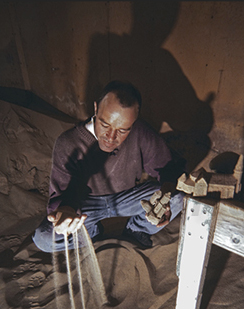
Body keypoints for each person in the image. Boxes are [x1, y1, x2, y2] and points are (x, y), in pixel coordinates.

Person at [33, 80, 185, 252]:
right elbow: (61, 195)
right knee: (45, 239)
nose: (111, 137)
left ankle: (136, 230)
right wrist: (66, 212)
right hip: (85, 206)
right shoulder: (68, 142)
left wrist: (165, 198)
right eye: (105, 124)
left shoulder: (140, 131)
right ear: (96, 109)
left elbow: (167, 167)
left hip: (127, 198)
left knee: (177, 198)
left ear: (133, 122)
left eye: (122, 130)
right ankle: (92, 232)